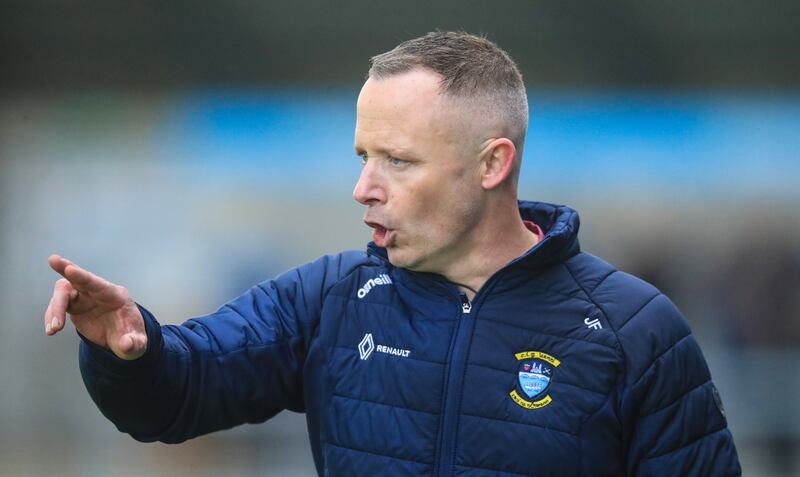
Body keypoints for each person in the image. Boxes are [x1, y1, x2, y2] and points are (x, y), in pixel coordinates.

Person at [44, 31, 741, 476]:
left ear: (492, 163)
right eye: (363, 156)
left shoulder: (634, 329)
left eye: (398, 161)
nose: (363, 188)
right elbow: (176, 393)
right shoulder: (331, 298)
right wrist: (128, 349)